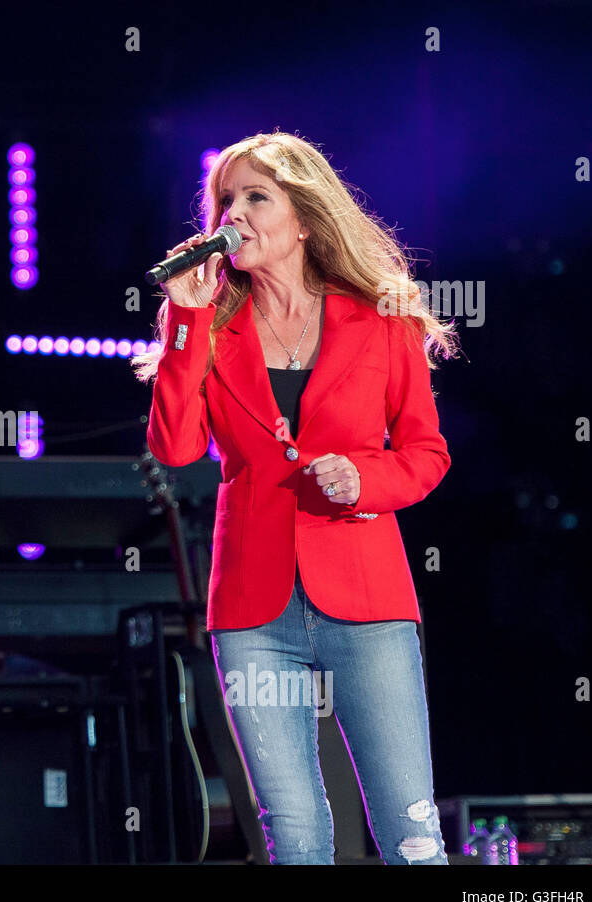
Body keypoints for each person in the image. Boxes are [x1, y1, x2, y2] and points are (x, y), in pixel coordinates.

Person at [135, 131, 458, 864]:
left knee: (410, 832)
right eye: (225, 199)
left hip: (366, 599)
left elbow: (426, 452)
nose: (234, 213)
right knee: (296, 834)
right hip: (256, 610)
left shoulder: (381, 318)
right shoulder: (212, 330)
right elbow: (177, 449)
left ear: (305, 219)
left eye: (256, 197)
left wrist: (363, 479)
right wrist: (185, 318)